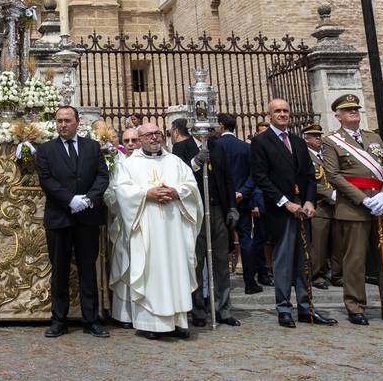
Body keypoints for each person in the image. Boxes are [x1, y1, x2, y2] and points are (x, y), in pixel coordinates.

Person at [322, 94, 383, 325]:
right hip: (354, 207)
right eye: (348, 109)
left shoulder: (373, 138)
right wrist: (362, 200)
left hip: (382, 206)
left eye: (356, 108)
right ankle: (355, 306)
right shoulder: (331, 141)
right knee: (355, 260)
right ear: (339, 116)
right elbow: (333, 175)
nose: (354, 112)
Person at [106, 122, 200, 339]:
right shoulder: (129, 164)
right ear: (140, 139)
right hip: (147, 230)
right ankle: (150, 324)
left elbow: (192, 186)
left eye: (157, 133)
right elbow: (122, 190)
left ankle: (178, 321)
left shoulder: (175, 161)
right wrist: (147, 194)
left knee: (176, 269)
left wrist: (176, 191)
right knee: (151, 270)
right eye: (148, 135)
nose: (154, 138)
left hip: (174, 230)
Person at [251, 99, 333, 328]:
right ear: (269, 115)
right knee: (284, 261)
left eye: (286, 111)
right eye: (278, 111)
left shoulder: (297, 141)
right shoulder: (261, 142)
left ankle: (306, 308)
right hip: (281, 209)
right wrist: (285, 202)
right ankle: (284, 309)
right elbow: (261, 177)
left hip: (302, 208)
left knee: (305, 260)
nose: (283, 114)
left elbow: (309, 174)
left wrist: (309, 200)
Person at [37, 105, 110, 338]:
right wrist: (70, 200)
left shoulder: (92, 147)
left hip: (87, 217)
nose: (62, 125)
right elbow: (46, 180)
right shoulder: (47, 149)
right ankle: (59, 320)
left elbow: (102, 176)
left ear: (77, 122)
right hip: (60, 217)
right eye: (59, 121)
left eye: (67, 120)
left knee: (88, 269)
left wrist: (88, 199)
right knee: (59, 270)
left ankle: (91, 320)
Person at [170, 118, 238, 328]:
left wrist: (232, 206)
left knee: (220, 261)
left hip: (217, 209)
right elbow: (177, 178)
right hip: (194, 212)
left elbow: (227, 178)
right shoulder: (182, 147)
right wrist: (196, 163)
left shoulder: (217, 146)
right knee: (196, 261)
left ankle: (222, 308)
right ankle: (198, 310)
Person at [218, 113, 265, 295]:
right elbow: (254, 174)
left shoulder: (216, 146)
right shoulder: (246, 147)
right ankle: (249, 282)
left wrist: (228, 194)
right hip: (242, 199)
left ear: (221, 125)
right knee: (246, 239)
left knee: (220, 239)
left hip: (222, 201)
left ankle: (221, 283)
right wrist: (242, 192)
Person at [106, 126, 141, 325]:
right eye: (126, 141)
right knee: (124, 264)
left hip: (145, 222)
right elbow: (110, 190)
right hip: (121, 222)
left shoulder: (150, 162)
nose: (130, 145)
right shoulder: (117, 163)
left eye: (133, 140)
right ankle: (124, 314)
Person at [302, 122, 336, 288]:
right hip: (319, 203)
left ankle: (337, 274)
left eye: (319, 135)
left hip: (335, 204)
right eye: (314, 136)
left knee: (336, 242)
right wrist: (330, 194)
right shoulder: (305, 156)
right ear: (306, 139)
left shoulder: (327, 154)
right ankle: (316, 275)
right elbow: (310, 182)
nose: (318, 138)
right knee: (319, 244)